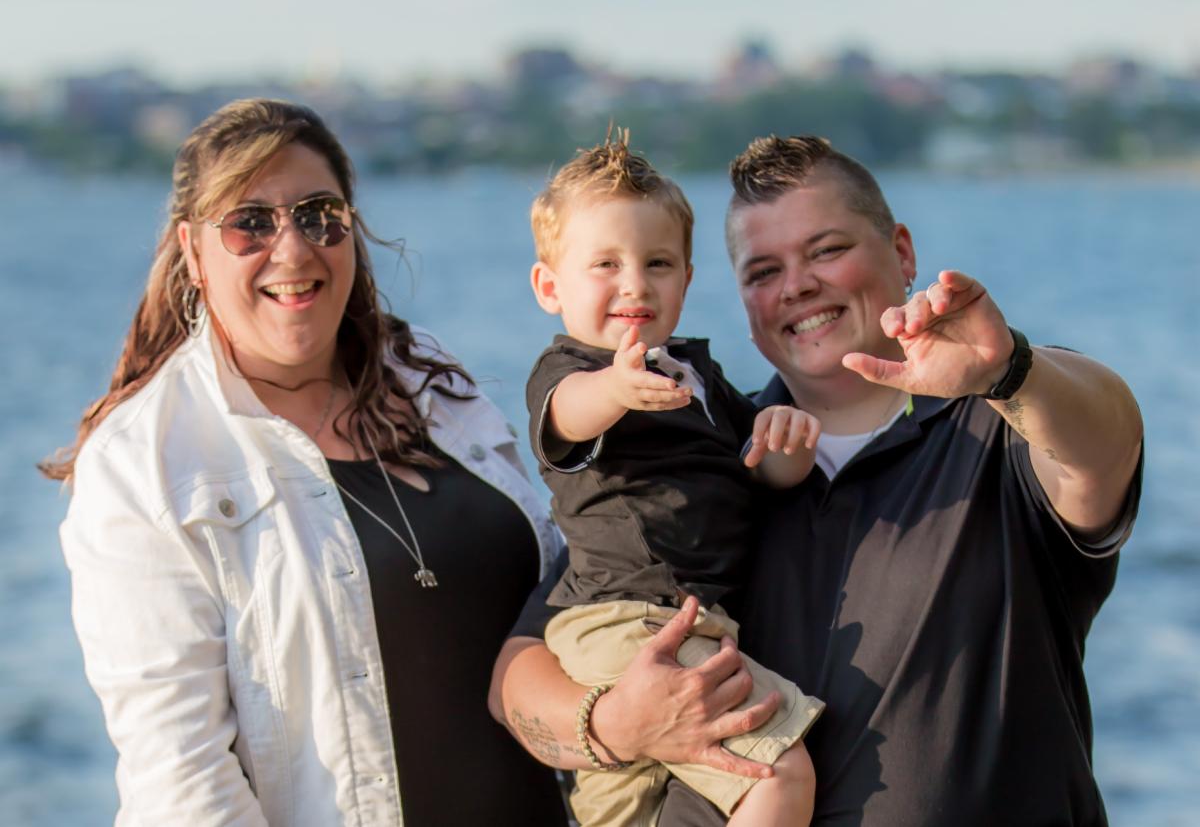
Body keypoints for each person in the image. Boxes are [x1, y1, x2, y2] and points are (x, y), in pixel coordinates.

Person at [490, 135, 1143, 826]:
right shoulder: (688, 453)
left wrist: (1010, 371)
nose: (796, 285)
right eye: (763, 271)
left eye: (827, 251)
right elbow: (516, 676)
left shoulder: (1002, 428)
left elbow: (1106, 443)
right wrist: (616, 725)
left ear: (902, 253)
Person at [43, 99, 567, 826]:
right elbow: (183, 785)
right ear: (192, 251)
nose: (292, 250)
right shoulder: (142, 464)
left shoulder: (429, 376)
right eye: (249, 222)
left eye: (320, 215)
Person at [523, 137, 825, 826]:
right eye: (606, 264)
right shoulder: (570, 372)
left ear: (686, 280)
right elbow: (567, 416)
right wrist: (615, 387)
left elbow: (766, 468)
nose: (635, 284)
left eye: (657, 263)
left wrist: (786, 439)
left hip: (686, 621)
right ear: (550, 287)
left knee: (626, 811)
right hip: (624, 618)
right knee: (778, 772)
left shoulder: (696, 375)